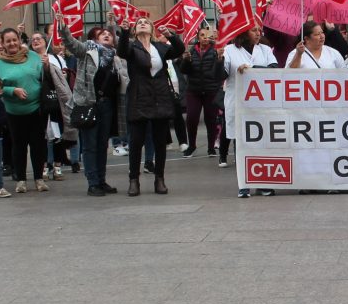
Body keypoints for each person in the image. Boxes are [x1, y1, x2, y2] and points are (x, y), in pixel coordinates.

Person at [117, 16, 185, 196]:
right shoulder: (132, 47)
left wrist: (170, 35)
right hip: (139, 98)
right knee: (136, 141)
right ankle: (134, 180)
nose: (142, 23)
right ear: (135, 30)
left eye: (146, 22)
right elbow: (122, 51)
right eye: (139, 23)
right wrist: (124, 32)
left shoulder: (160, 47)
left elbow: (179, 50)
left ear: (152, 29)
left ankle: (159, 179)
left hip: (160, 97)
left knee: (160, 142)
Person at [58, 13, 122, 197]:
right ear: (95, 39)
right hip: (88, 104)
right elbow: (72, 44)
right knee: (90, 145)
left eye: (109, 34)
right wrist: (63, 27)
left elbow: (124, 43)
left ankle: (101, 180)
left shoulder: (116, 57)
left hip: (107, 106)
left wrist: (112, 25)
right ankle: (92, 182)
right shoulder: (87, 50)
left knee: (102, 145)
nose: (106, 35)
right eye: (102, 34)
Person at [224, 25, 279, 197]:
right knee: (241, 144)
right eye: (254, 30)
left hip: (261, 104)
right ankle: (244, 184)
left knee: (261, 142)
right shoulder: (229, 50)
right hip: (238, 103)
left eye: (259, 30)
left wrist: (252, 70)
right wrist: (218, 60)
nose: (258, 33)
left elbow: (274, 69)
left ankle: (262, 182)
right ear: (243, 31)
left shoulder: (264, 50)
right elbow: (220, 75)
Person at [0, 27, 50, 194]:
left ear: (20, 40)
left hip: (36, 109)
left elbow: (44, 77)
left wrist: (47, 66)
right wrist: (12, 90)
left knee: (38, 145)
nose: (12, 43)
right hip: (14, 112)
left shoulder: (33, 56)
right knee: (18, 146)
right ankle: (21, 180)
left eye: (14, 40)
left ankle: (39, 179)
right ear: (3, 44)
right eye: (8, 41)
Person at [30, 31, 75, 180]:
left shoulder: (56, 58)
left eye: (39, 38)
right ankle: (43, 167)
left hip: (54, 102)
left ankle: (57, 167)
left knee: (57, 135)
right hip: (37, 102)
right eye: (33, 39)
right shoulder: (28, 59)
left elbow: (63, 78)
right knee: (40, 137)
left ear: (45, 41)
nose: (36, 41)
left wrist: (49, 67)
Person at [179, 26, 227, 157]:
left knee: (211, 119)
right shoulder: (192, 51)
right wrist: (186, 61)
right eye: (202, 35)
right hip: (194, 91)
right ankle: (192, 145)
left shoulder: (215, 51)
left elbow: (219, 73)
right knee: (191, 118)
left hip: (211, 90)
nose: (205, 38)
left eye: (207, 36)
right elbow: (184, 70)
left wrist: (219, 59)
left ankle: (211, 148)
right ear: (198, 38)